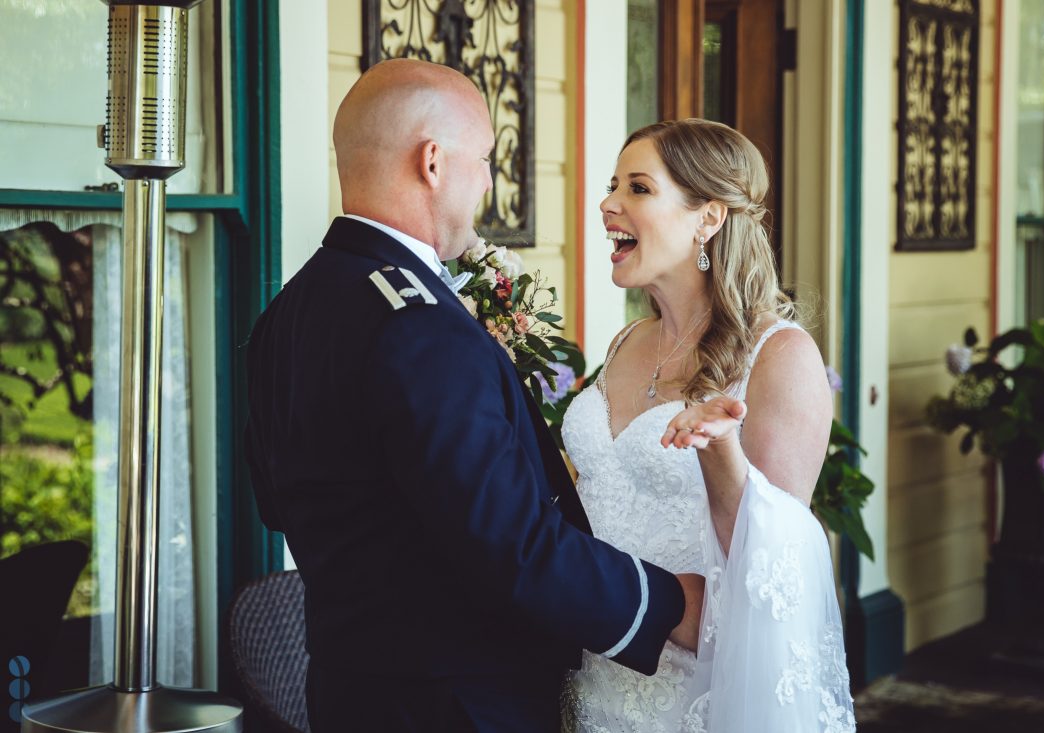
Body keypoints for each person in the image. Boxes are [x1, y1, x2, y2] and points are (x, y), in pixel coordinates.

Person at [244, 59, 705, 733]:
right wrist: (666, 603)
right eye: (486, 159)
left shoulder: (286, 312)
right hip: (456, 701)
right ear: (433, 163)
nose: (489, 182)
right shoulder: (420, 325)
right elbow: (512, 544)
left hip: (344, 687)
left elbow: (275, 503)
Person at [560, 119, 856, 732]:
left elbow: (774, 575)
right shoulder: (627, 342)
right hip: (587, 676)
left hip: (695, 692)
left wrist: (720, 453)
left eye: (638, 188)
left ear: (708, 218)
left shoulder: (780, 356)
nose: (608, 203)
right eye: (613, 184)